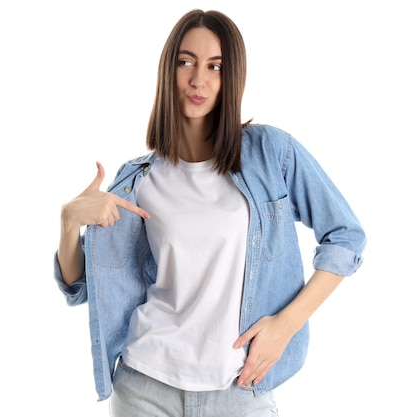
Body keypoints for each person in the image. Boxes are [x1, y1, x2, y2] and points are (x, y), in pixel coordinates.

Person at [53, 8, 366, 417]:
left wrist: (285, 326)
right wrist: (68, 223)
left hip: (240, 391)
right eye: (186, 62)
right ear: (169, 70)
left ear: (230, 76)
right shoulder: (138, 180)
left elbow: (345, 236)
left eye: (215, 66)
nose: (198, 79)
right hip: (145, 387)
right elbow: (81, 289)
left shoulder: (271, 153)